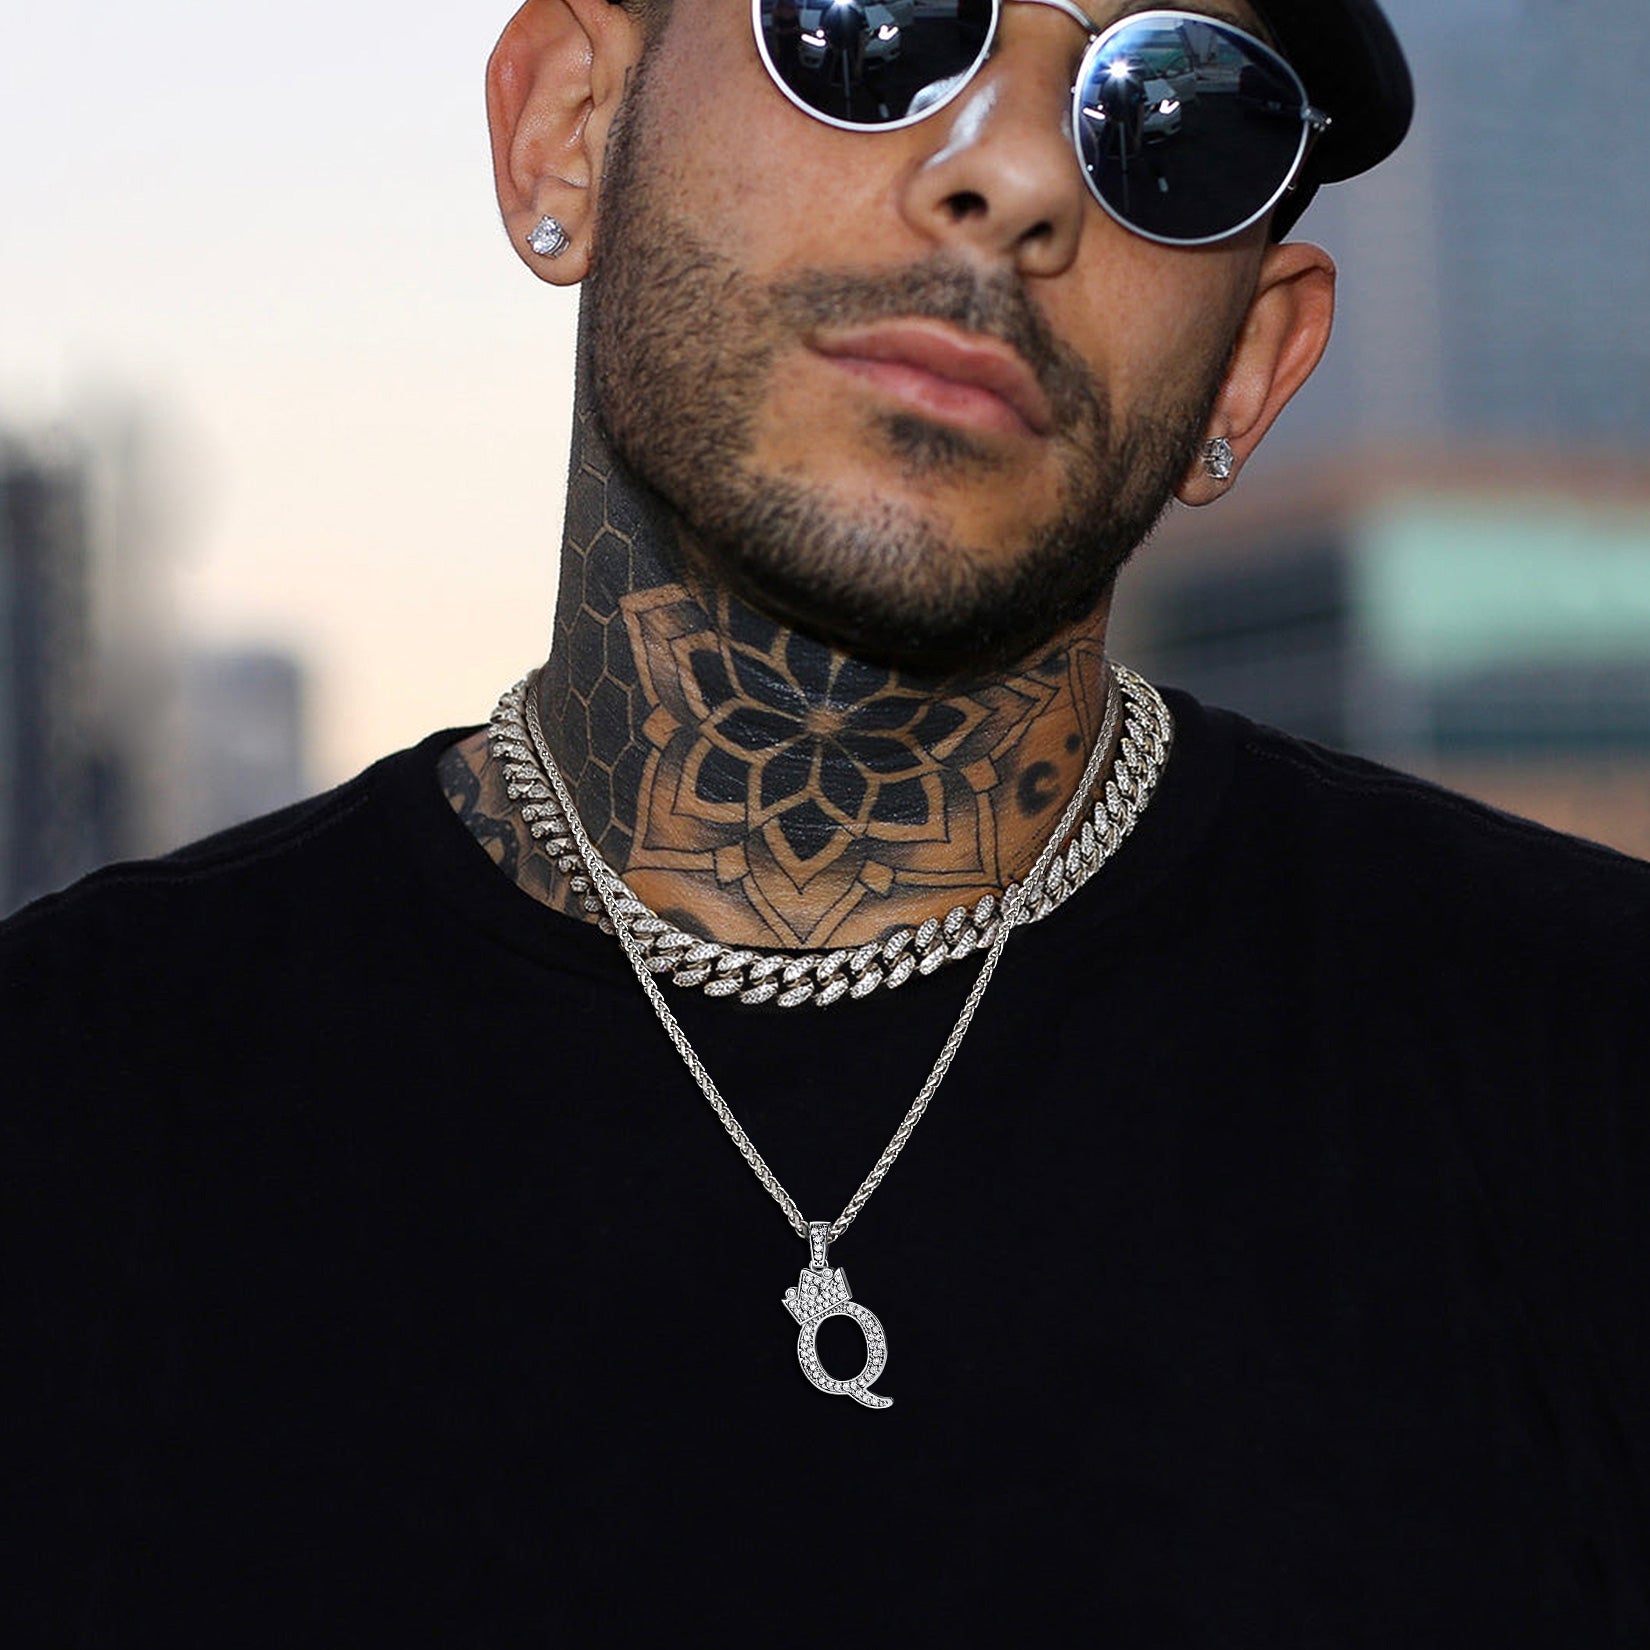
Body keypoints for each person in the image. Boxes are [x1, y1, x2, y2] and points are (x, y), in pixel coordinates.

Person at [5, 0, 1647, 1642]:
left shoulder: (1587, 1075)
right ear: (564, 125)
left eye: (1177, 118)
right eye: (875, 25)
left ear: (1253, 361)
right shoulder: (64, 1103)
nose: (1011, 173)